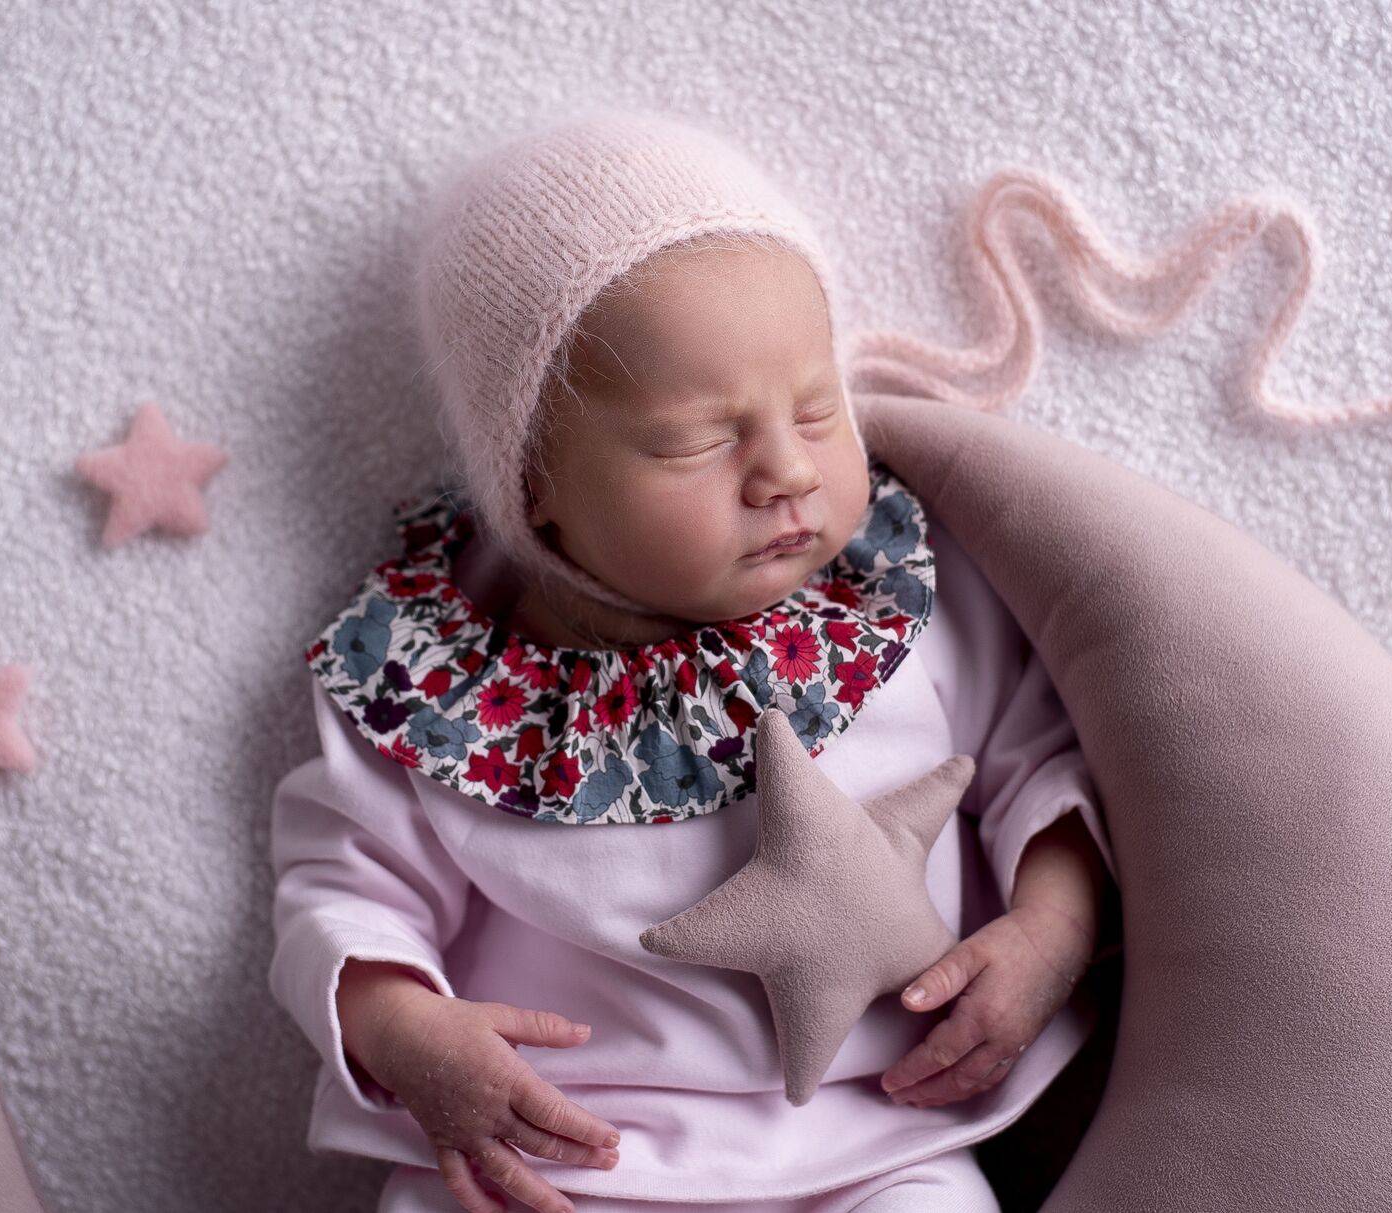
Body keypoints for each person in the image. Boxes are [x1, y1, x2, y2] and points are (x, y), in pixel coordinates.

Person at [267, 109, 1119, 1213]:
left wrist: (1052, 927)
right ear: (535, 482)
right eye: (698, 440)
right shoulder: (437, 685)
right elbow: (345, 888)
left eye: (816, 409)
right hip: (567, 1154)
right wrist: (404, 1027)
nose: (786, 472)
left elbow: (1042, 758)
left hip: (880, 1135)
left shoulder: (891, 596)